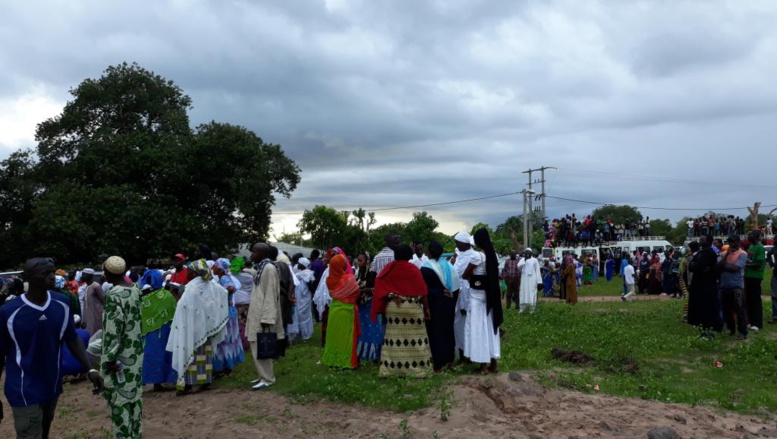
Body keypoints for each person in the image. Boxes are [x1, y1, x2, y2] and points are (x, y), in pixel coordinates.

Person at [0, 258, 104, 438]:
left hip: (52, 384)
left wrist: (91, 368)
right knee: (30, 434)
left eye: (53, 272)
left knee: (44, 432)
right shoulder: (9, 312)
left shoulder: (61, 303)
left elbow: (72, 339)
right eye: (45, 273)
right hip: (23, 388)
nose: (52, 277)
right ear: (30, 278)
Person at [166, 259, 229, 395]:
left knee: (189, 353)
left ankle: (188, 385)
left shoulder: (191, 288)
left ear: (194, 273)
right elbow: (224, 293)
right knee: (204, 356)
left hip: (191, 328)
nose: (186, 272)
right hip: (205, 328)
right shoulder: (211, 285)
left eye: (188, 270)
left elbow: (183, 307)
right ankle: (205, 382)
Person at [100, 256, 144, 439]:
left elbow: (112, 330)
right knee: (134, 398)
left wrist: (109, 358)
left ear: (107, 272)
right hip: (135, 351)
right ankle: (136, 434)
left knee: (120, 402)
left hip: (120, 356)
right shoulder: (136, 288)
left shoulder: (114, 294)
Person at [373, 244, 432, 377]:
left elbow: (379, 282)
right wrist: (427, 309)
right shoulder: (413, 269)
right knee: (417, 339)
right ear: (409, 256)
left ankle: (392, 369)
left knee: (393, 340)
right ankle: (419, 370)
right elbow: (423, 292)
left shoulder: (389, 269)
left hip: (394, 308)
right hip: (412, 309)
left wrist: (389, 296)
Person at [462, 228, 502, 374]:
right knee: (491, 328)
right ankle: (494, 363)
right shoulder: (493, 255)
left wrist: (474, 276)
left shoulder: (478, 256)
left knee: (479, 328)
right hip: (490, 296)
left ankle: (483, 365)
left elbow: (465, 275)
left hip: (477, 296)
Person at [246, 243, 284, 389]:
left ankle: (268, 378)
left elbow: (270, 294)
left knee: (262, 346)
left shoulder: (269, 268)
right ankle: (262, 375)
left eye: (255, 252)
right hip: (257, 312)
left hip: (264, 315)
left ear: (263, 253)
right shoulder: (261, 267)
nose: (251, 255)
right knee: (256, 345)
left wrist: (267, 318)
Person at [421, 241, 460, 373]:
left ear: (429, 253)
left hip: (433, 303)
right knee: (448, 331)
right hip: (448, 302)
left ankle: (438, 364)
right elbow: (456, 287)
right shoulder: (449, 266)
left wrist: (426, 308)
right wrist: (452, 301)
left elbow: (424, 290)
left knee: (434, 332)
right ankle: (450, 361)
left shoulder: (425, 268)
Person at [322, 250, 361, 369]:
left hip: (335, 310)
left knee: (334, 336)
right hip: (347, 311)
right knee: (346, 337)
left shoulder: (329, 280)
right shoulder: (349, 278)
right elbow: (356, 293)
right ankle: (345, 362)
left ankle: (333, 361)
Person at [140, 268, 177, 391]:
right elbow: (174, 309)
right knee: (165, 355)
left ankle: (154, 382)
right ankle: (165, 380)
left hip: (148, 333)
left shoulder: (142, 297)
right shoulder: (166, 294)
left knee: (151, 355)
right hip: (166, 331)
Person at [212, 258, 246, 376]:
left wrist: (220, 297)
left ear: (220, 269)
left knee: (224, 338)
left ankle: (224, 367)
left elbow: (231, 288)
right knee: (229, 338)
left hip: (225, 310)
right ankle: (227, 366)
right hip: (228, 310)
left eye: (215, 266)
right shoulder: (224, 277)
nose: (213, 268)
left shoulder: (224, 278)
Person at [688, 236, 722, 338]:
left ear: (709, 241)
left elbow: (700, 266)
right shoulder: (700, 253)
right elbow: (691, 266)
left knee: (708, 307)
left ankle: (710, 331)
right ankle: (702, 330)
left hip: (707, 284)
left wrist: (697, 266)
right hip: (698, 283)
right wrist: (697, 266)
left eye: (703, 239)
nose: (700, 241)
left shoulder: (710, 253)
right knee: (699, 307)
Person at [718, 236, 749, 340]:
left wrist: (724, 266)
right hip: (724, 286)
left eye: (733, 241)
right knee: (726, 310)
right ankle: (731, 329)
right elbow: (718, 267)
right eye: (729, 241)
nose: (731, 243)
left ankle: (742, 332)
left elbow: (736, 268)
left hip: (737, 286)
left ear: (738, 242)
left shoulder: (742, 254)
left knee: (740, 310)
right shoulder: (723, 254)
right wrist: (727, 254)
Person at [451, 231, 475, 361]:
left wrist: (463, 304)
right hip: (458, 293)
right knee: (457, 325)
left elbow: (462, 278)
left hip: (466, 295)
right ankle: (461, 352)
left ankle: (468, 354)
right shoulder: (461, 255)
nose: (456, 245)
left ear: (463, 243)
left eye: (457, 243)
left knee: (465, 325)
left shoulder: (471, 256)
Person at [355, 253, 384, 361]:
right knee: (362, 328)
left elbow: (374, 289)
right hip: (361, 305)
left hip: (369, 304)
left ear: (367, 261)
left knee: (372, 327)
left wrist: (361, 290)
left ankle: (373, 353)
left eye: (360, 261)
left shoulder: (372, 274)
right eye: (357, 261)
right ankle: (362, 352)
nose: (358, 263)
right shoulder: (358, 273)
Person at [288, 258, 315, 342]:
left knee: (303, 315)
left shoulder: (308, 274)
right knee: (298, 314)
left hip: (305, 298)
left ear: (302, 265)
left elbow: (311, 287)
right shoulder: (298, 274)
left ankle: (305, 334)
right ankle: (299, 333)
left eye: (299, 263)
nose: (297, 265)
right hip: (299, 297)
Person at [744, 231, 765, 331]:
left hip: (756, 276)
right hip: (748, 275)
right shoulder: (751, 246)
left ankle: (757, 323)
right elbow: (749, 260)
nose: (748, 236)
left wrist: (745, 265)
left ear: (756, 237)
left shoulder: (760, 247)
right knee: (749, 299)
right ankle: (751, 322)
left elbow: (758, 264)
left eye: (750, 235)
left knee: (755, 300)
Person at [231, 257, 254, 350]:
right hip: (247, 301)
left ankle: (238, 343)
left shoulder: (231, 276)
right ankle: (246, 343)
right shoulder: (249, 276)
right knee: (245, 322)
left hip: (235, 301)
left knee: (236, 323)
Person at [82, 268, 105, 335]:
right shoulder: (86, 286)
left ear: (88, 276)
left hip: (96, 317)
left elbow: (104, 301)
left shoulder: (96, 286)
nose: (82, 276)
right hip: (88, 317)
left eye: (83, 275)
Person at [518, 249, 541, 313]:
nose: (527, 254)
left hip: (532, 279)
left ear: (531, 253)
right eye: (526, 253)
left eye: (529, 253)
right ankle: (522, 309)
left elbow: (537, 271)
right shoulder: (522, 259)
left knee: (532, 293)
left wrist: (539, 282)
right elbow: (518, 266)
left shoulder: (535, 260)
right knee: (523, 293)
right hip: (524, 279)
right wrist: (524, 260)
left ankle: (532, 309)